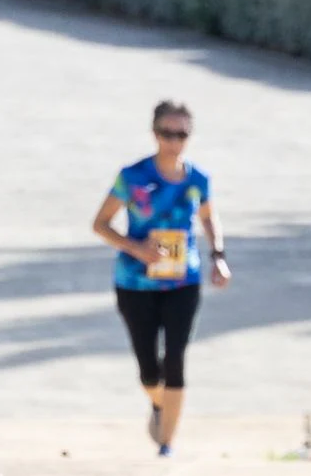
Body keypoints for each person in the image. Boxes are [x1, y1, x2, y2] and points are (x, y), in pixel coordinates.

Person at [90, 101, 231, 457]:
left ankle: (166, 442)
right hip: (135, 284)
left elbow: (209, 218)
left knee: (176, 358)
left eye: (182, 134)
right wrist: (137, 249)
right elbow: (100, 224)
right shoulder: (133, 177)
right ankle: (158, 404)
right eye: (167, 134)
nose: (174, 141)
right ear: (155, 134)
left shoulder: (199, 179)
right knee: (149, 369)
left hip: (183, 282)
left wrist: (218, 256)